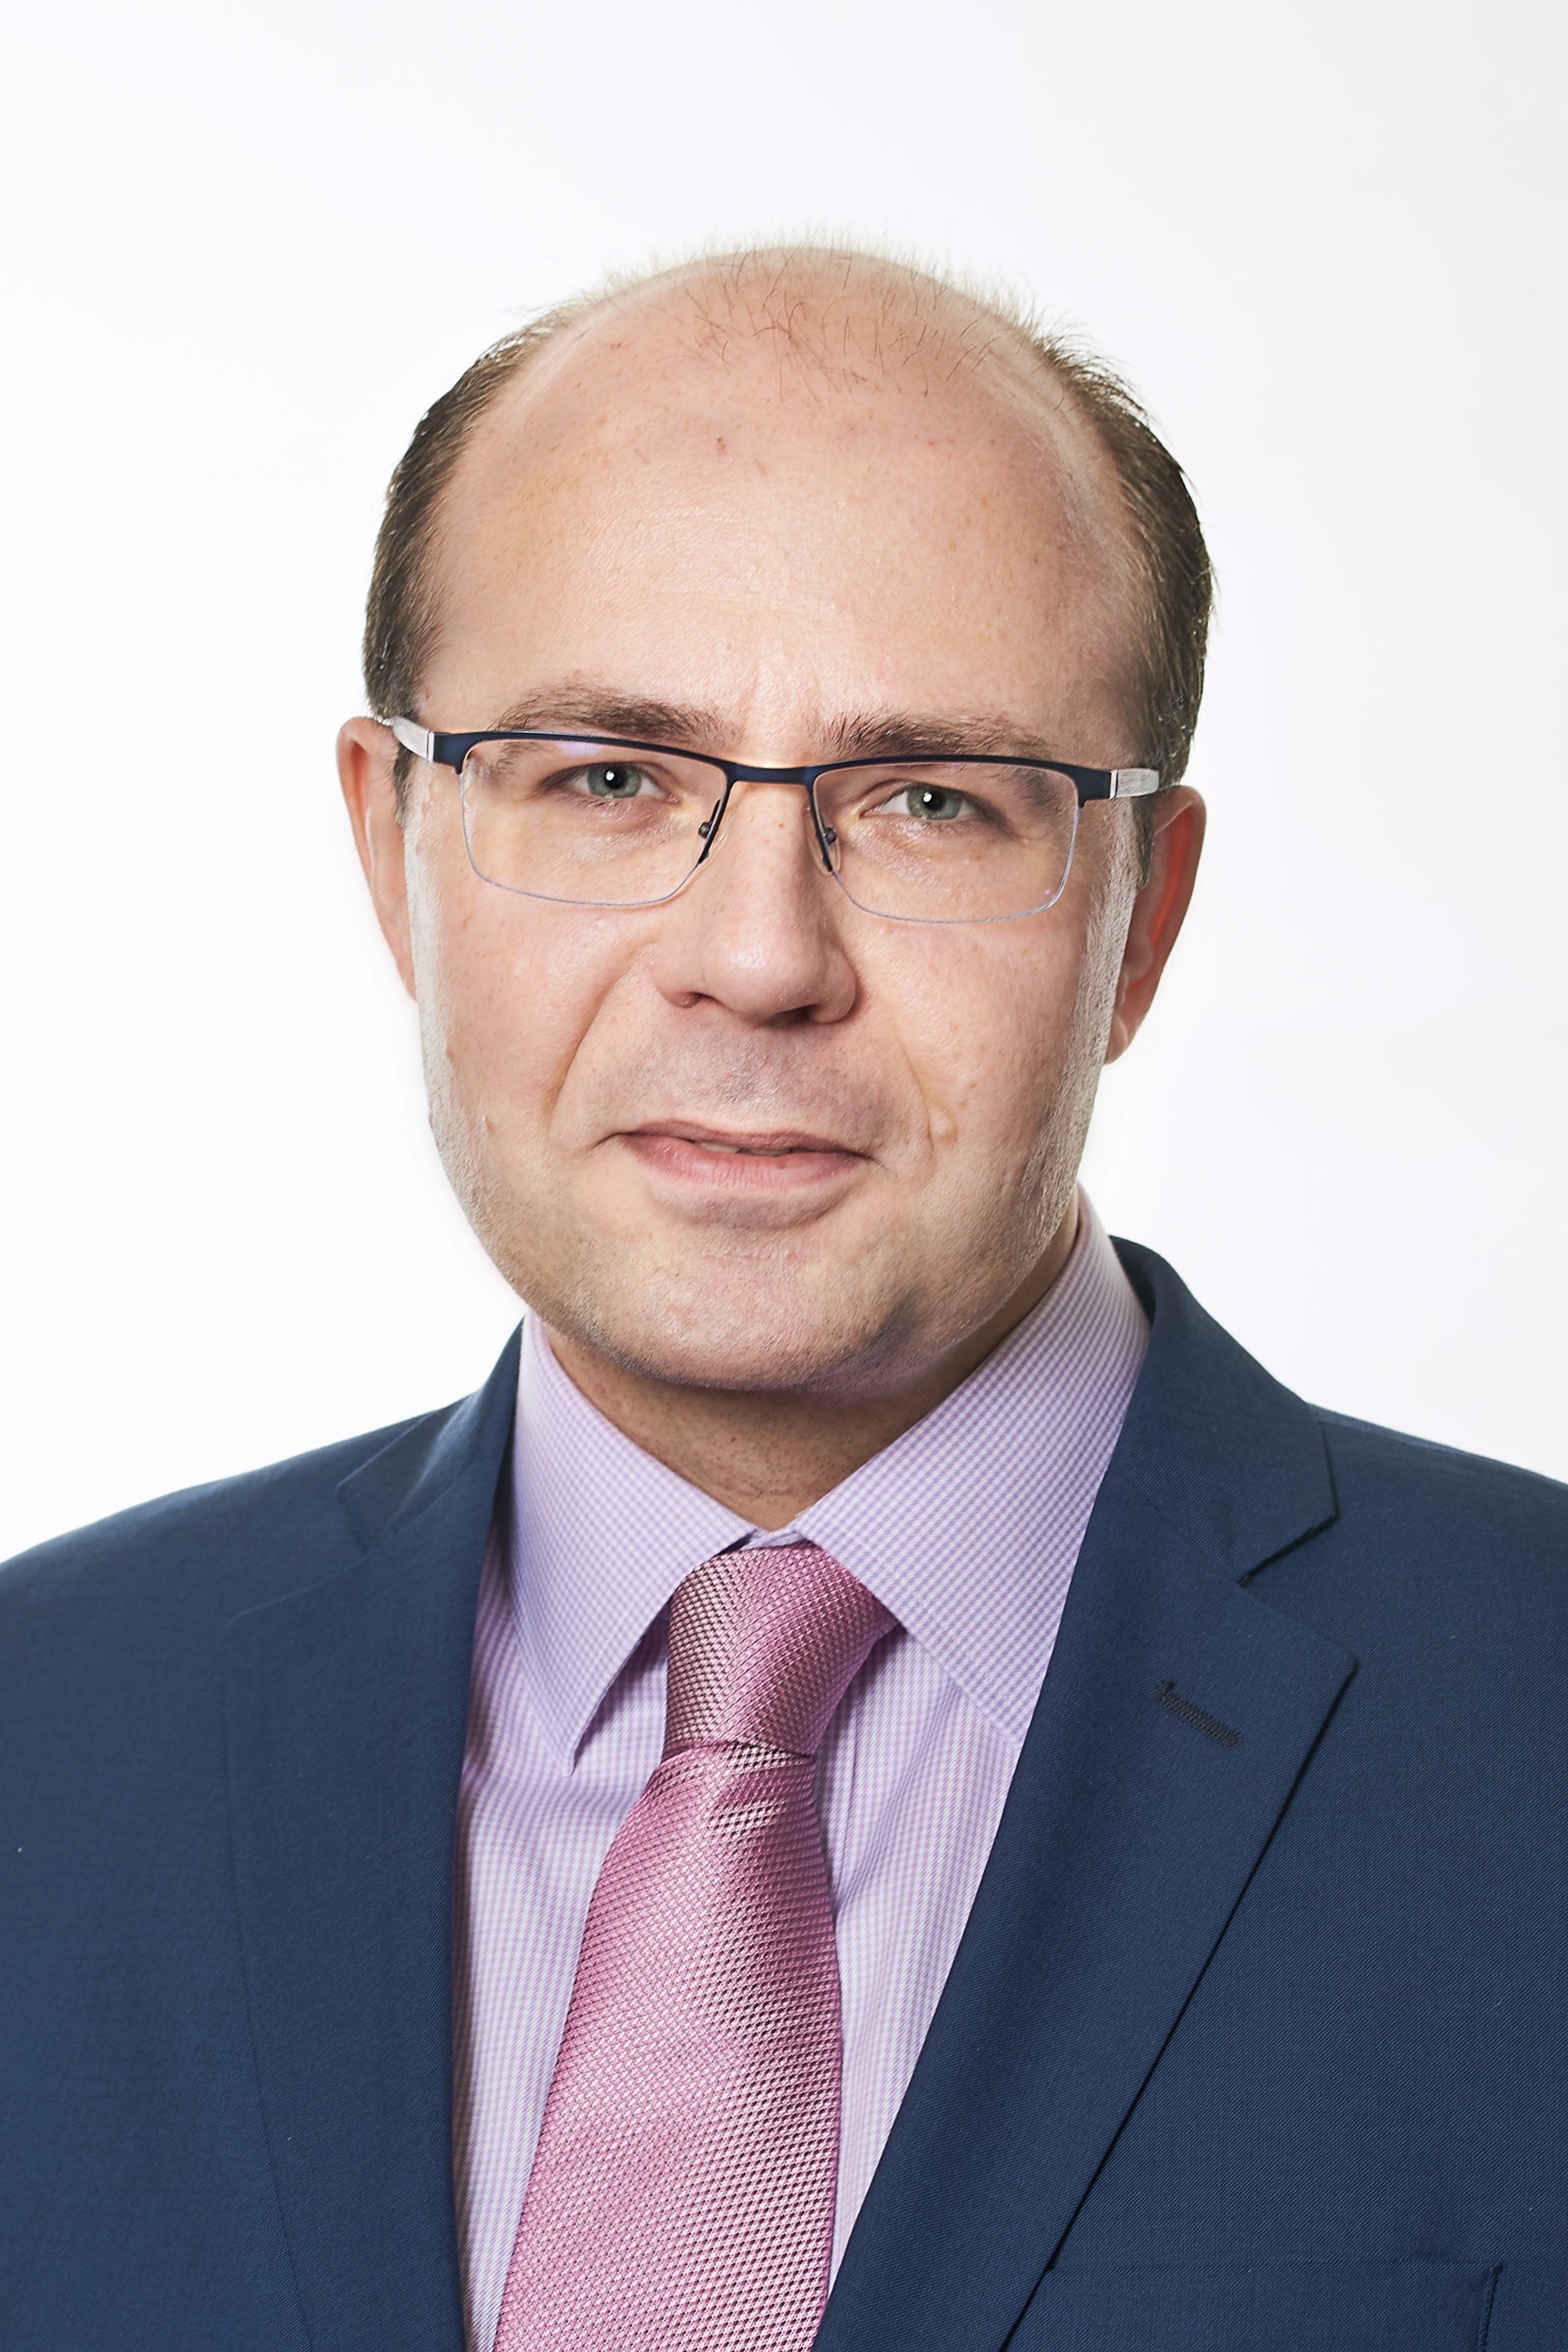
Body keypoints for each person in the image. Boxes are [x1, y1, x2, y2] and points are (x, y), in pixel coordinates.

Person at [1, 247, 1563, 2352]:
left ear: (1139, 915)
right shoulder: (42, 1741)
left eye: (929, 800)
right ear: (396, 851)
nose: (755, 959)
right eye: (605, 777)